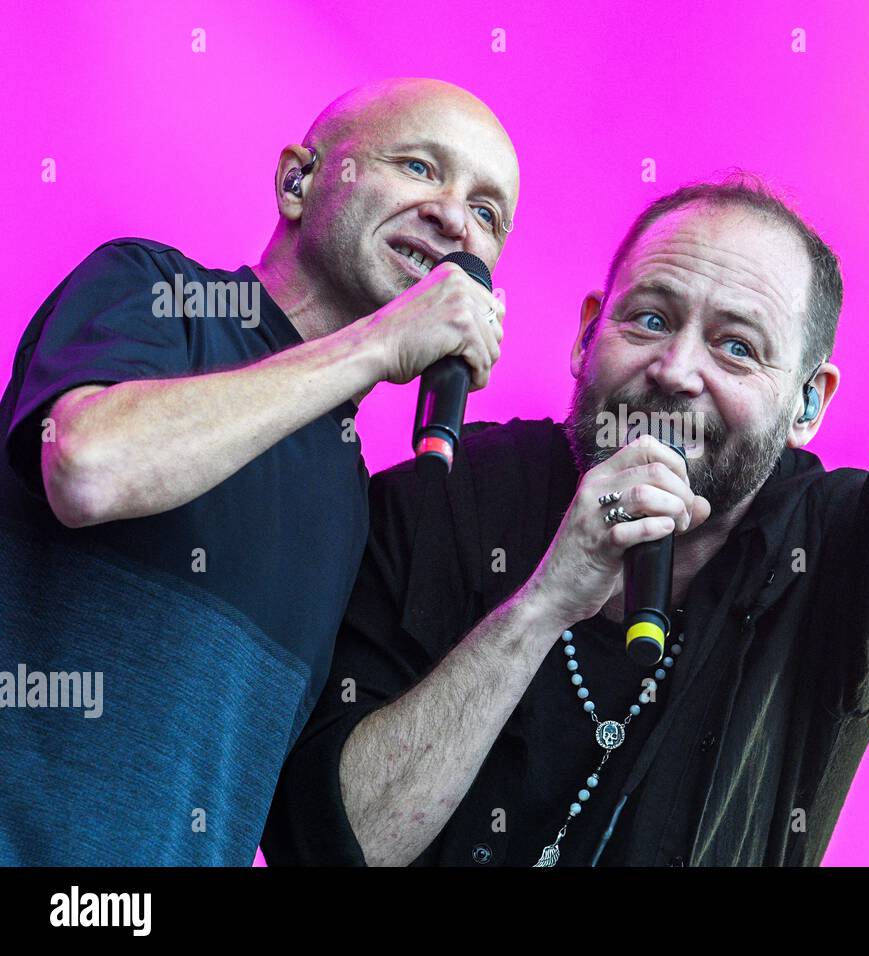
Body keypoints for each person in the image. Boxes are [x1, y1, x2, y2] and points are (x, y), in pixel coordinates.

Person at [261, 10, 869, 866]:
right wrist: (545, 601)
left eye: (737, 347)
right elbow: (339, 842)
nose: (676, 369)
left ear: (809, 404)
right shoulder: (436, 502)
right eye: (651, 319)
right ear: (587, 333)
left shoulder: (830, 556)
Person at [0, 77, 518, 865]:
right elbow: (87, 467)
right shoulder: (158, 293)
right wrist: (377, 346)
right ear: (298, 181)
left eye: (486, 213)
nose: (453, 217)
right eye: (418, 167)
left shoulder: (352, 500)